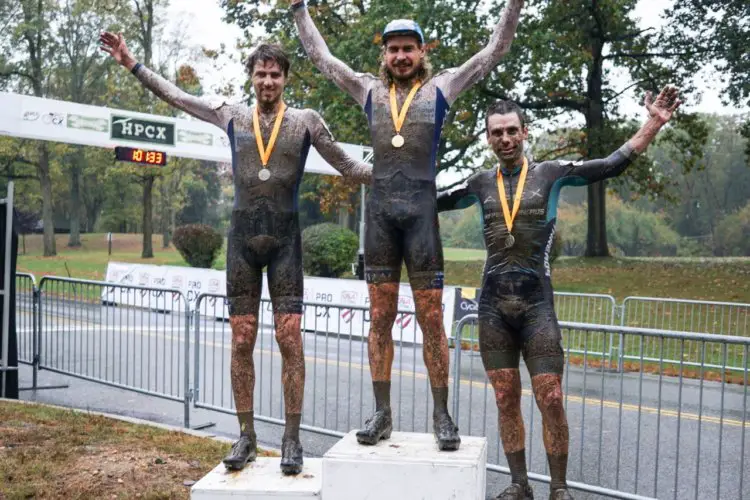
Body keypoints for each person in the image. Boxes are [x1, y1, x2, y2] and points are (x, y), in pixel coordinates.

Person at [99, 33, 372, 475]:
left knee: (290, 340)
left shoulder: (305, 121)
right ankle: (245, 435)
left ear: (285, 78)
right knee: (242, 340)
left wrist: (393, 174)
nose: (268, 82)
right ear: (252, 76)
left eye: (275, 75)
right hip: (242, 241)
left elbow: (347, 165)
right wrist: (132, 63)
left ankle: (291, 439)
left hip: (285, 242)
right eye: (261, 74)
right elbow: (178, 97)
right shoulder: (231, 115)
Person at [291, 0, 524, 451]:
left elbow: (495, 50)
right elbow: (322, 59)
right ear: (384, 55)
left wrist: (512, 5)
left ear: (422, 52)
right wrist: (300, 9)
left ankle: (442, 414)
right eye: (393, 49)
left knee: (431, 320)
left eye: (408, 49)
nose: (400, 57)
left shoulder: (443, 86)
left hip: (421, 217)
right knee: (379, 319)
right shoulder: (368, 91)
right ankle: (382, 413)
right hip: (380, 218)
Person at [436, 85, 682, 499]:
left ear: (525, 131)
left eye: (512, 131)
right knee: (504, 398)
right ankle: (519, 484)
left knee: (550, 397)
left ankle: (560, 488)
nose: (505, 139)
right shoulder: (478, 183)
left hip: (536, 307)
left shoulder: (550, 173)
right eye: (496, 133)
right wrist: (386, 172)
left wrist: (653, 123)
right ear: (488, 138)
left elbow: (609, 165)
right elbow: (431, 199)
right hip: (493, 308)